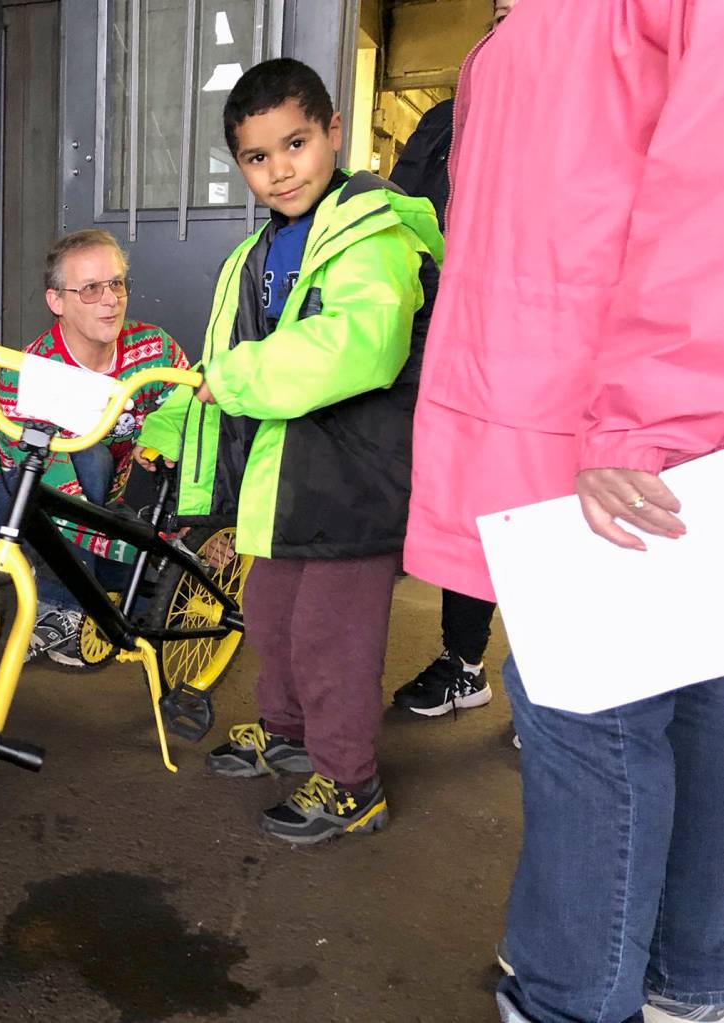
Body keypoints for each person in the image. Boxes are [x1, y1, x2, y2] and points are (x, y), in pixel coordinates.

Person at [403, 1, 724, 1021]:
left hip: (606, 430)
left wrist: (650, 417)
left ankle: (570, 1003)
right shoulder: (523, 23)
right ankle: (684, 982)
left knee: (590, 720)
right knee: (681, 709)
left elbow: (706, 185)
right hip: (573, 418)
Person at [138, 57, 443, 844]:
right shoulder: (252, 256)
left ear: (334, 131)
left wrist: (233, 379)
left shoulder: (373, 233)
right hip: (281, 483)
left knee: (330, 637)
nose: (279, 171)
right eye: (256, 157)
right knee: (270, 615)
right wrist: (169, 429)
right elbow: (214, 361)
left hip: (354, 478)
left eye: (296, 143)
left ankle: (351, 781)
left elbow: (359, 346)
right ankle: (285, 732)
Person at [388, 0, 521, 719]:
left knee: (538, 509)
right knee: (469, 499)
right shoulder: (447, 117)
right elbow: (405, 209)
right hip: (449, 326)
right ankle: (464, 660)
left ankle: (549, 683)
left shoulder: (588, 101)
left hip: (541, 337)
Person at [0, 228, 189, 667]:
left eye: (116, 283)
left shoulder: (155, 348)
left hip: (101, 500)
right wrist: (139, 540)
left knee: (164, 584)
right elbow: (54, 496)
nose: (110, 299)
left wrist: (187, 523)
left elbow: (193, 420)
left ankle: (69, 572)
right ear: (58, 302)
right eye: (90, 288)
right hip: (13, 489)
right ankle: (61, 608)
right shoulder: (32, 371)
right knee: (86, 455)